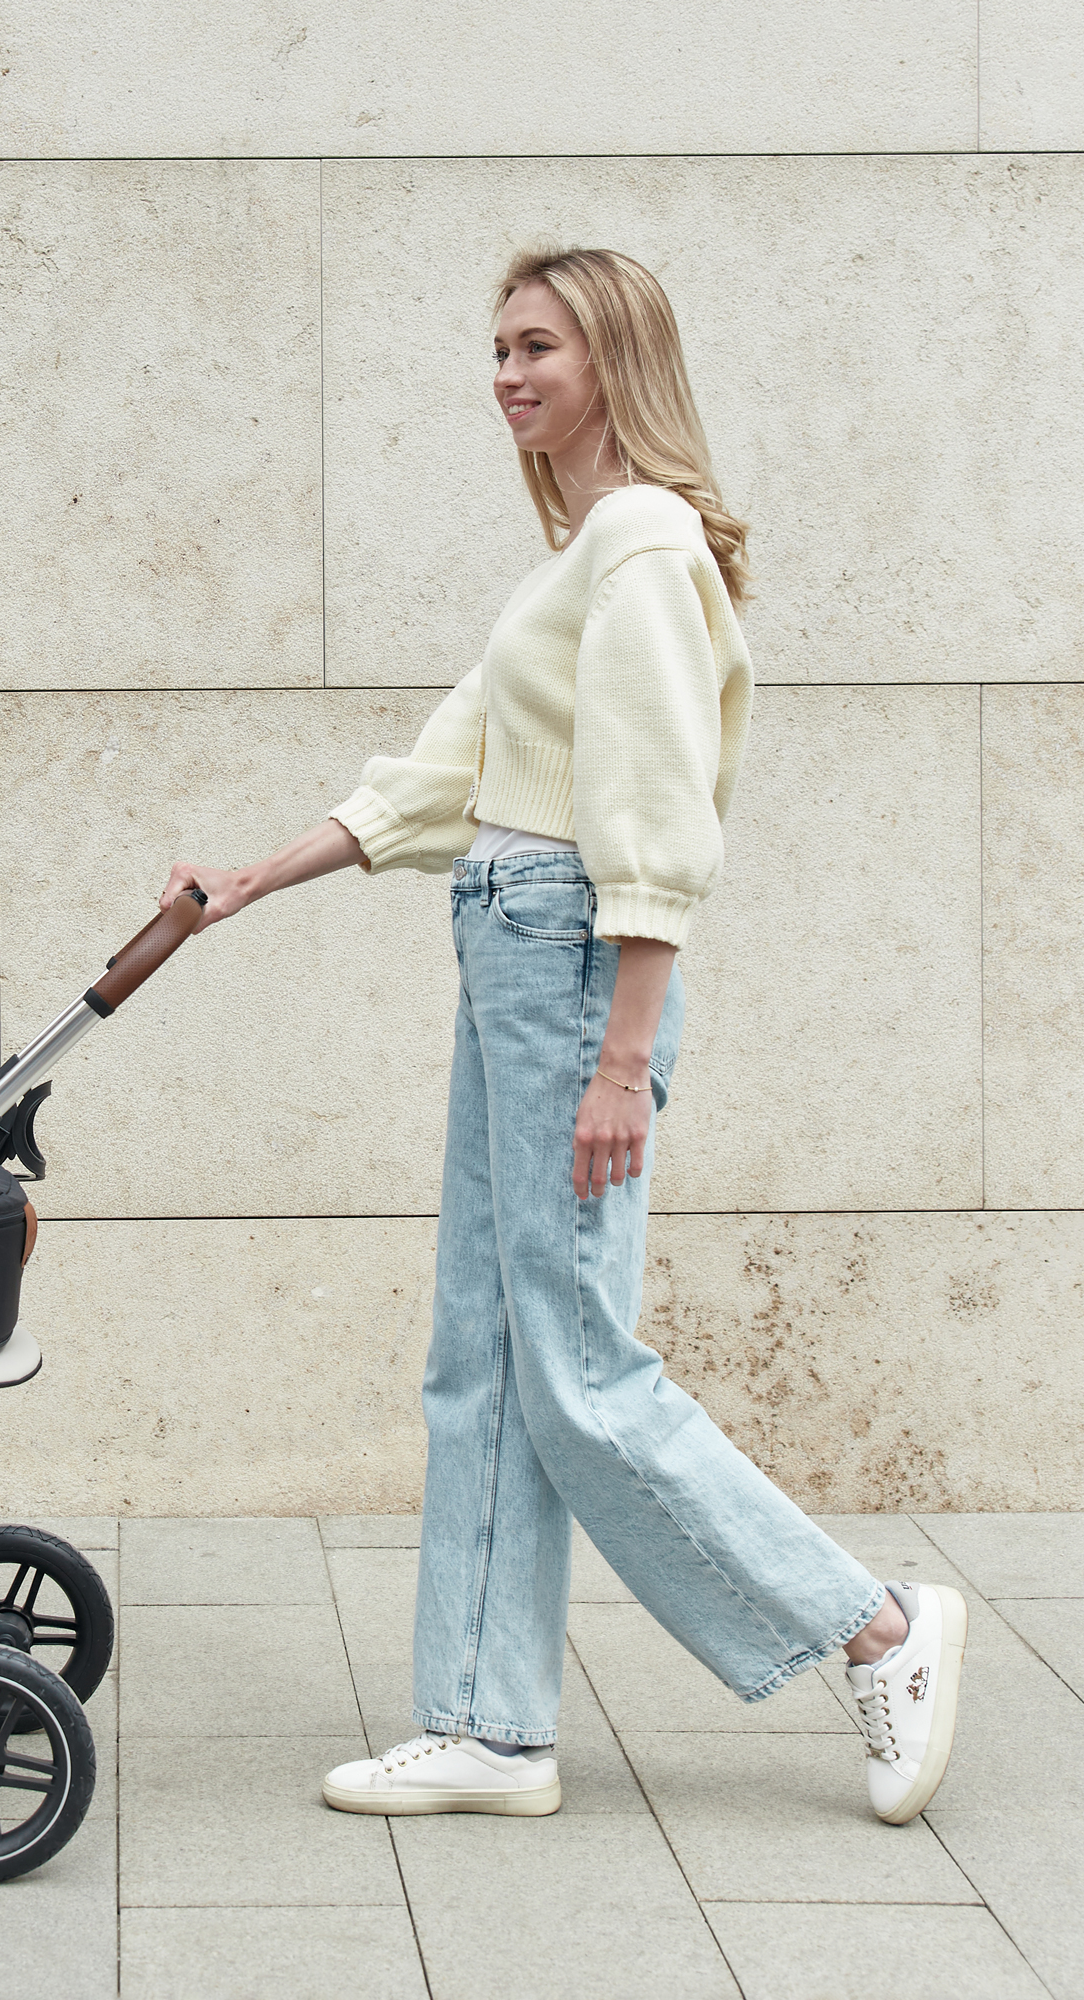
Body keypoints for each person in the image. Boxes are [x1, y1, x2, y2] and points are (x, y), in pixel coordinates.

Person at [158, 245, 964, 1826]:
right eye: (500, 348)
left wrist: (620, 1058)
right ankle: (484, 1723)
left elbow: (656, 809)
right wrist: (254, 876)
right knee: (487, 1357)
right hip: (511, 945)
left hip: (578, 961)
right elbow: (452, 759)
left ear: (618, 363)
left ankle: (872, 1624)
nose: (509, 374)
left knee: (580, 1365)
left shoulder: (646, 541)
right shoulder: (581, 555)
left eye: (541, 347)